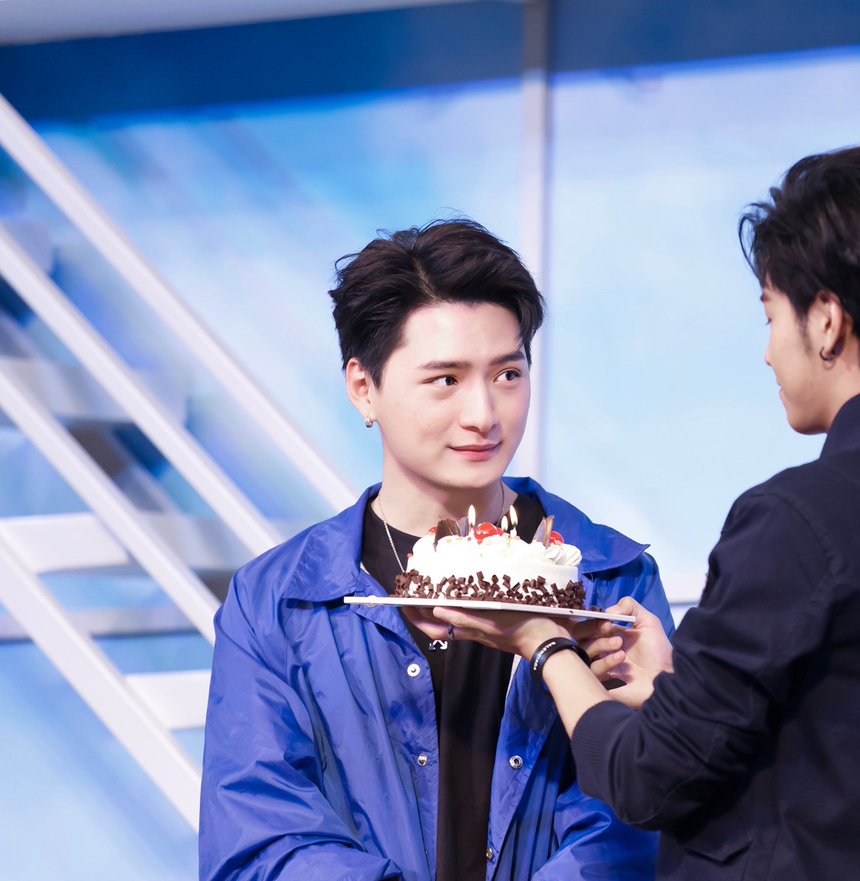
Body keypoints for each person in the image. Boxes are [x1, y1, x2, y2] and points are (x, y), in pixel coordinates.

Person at [412, 146, 860, 880]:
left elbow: (642, 779)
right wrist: (677, 687)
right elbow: (856, 765)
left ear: (827, 322)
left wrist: (543, 642)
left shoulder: (797, 523)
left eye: (771, 314)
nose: (769, 353)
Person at [199, 220, 673, 881]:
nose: (484, 413)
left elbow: (634, 829)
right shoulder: (277, 602)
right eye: (446, 379)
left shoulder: (610, 579)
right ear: (363, 388)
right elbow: (259, 841)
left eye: (507, 373)